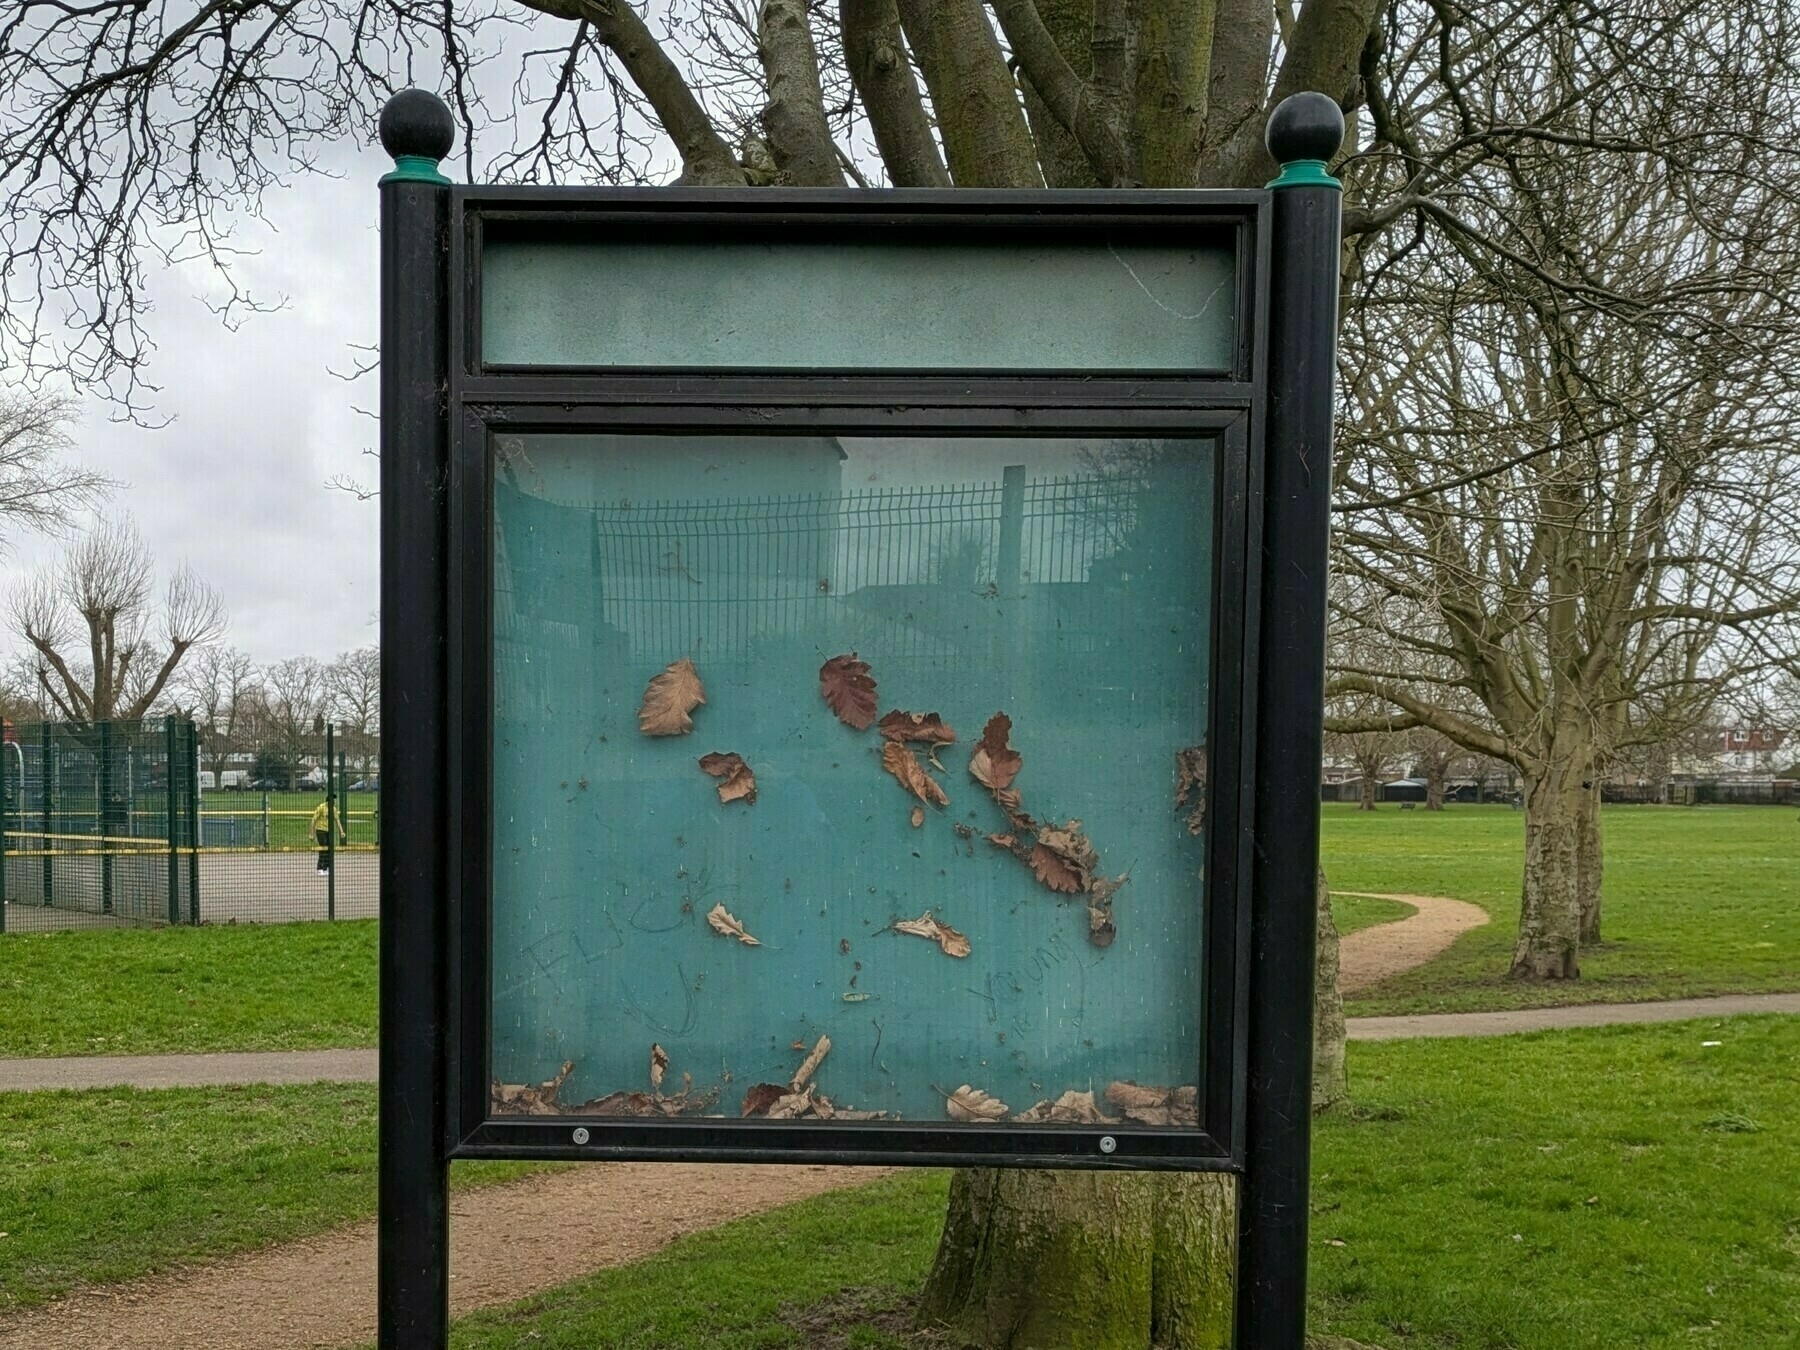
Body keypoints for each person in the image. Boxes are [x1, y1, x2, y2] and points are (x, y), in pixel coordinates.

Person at [311, 797, 345, 876]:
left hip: (329, 831)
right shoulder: (321, 807)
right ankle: (320, 868)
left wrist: (341, 831)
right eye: (332, 801)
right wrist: (312, 833)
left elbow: (337, 820)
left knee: (329, 848)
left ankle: (326, 867)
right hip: (320, 830)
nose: (334, 802)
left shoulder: (333, 809)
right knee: (323, 848)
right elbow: (313, 820)